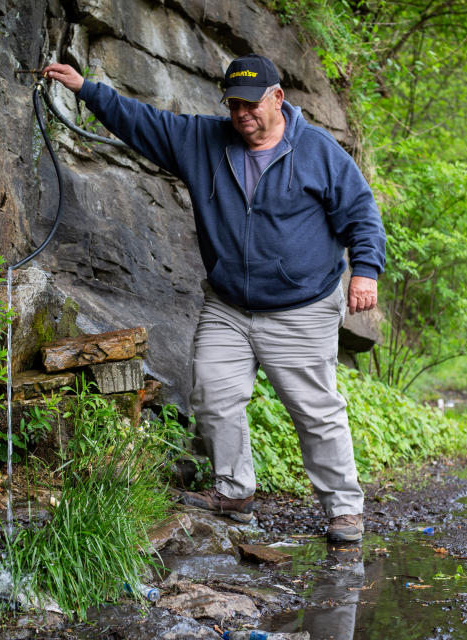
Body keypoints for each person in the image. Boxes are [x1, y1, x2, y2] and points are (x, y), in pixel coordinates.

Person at [41, 53, 386, 543]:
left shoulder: (318, 152)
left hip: (302, 306)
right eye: (233, 105)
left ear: (278, 98)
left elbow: (361, 212)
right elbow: (145, 123)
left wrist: (366, 271)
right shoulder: (204, 141)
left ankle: (345, 510)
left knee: (316, 410)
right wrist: (86, 88)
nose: (242, 114)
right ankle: (234, 491)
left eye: (251, 104)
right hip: (229, 304)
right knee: (213, 390)